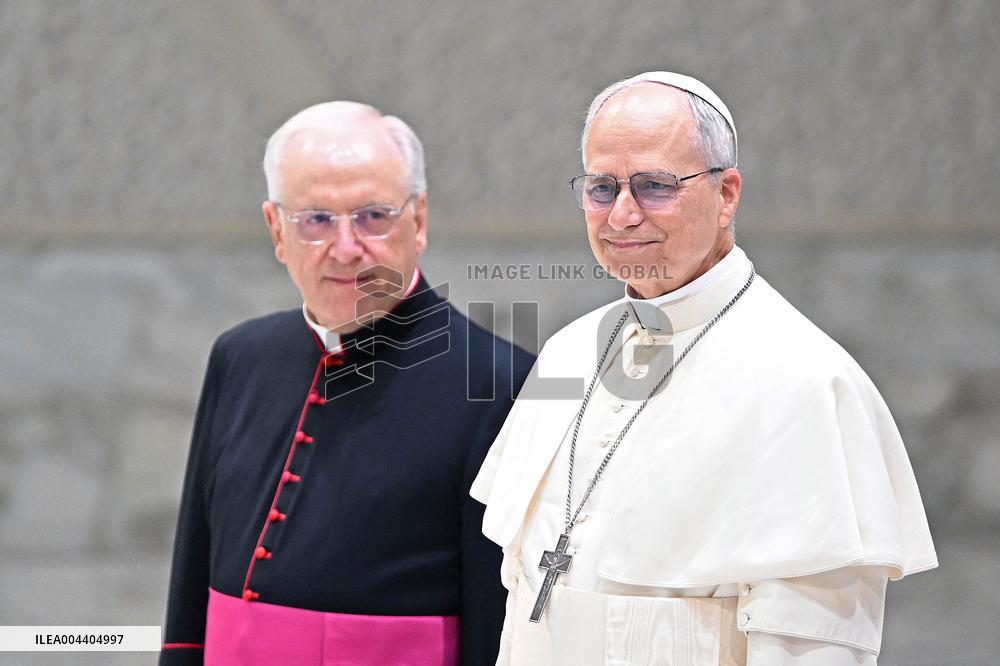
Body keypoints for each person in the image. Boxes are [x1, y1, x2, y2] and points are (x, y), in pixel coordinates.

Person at [471, 72, 937, 665]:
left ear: (726, 194)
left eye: (656, 186)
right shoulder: (568, 352)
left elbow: (813, 651)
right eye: (601, 187)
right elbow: (521, 598)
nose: (622, 215)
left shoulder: (807, 382)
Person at [161, 101, 533, 665]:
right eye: (315, 220)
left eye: (373, 216)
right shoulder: (240, 356)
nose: (345, 246)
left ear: (420, 219)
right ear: (276, 230)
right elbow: (192, 589)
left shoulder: (500, 382)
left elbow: (497, 631)